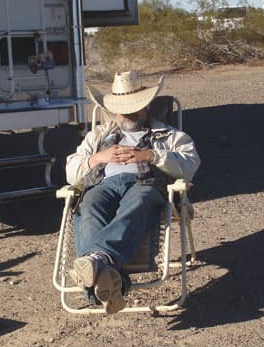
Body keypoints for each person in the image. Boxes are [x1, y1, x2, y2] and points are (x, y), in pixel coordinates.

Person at [65, 70, 200, 314]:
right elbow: (71, 170)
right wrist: (98, 158)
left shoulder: (167, 134)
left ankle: (97, 269)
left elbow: (190, 164)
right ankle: (110, 277)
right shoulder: (99, 135)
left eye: (134, 108)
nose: (127, 114)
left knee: (140, 200)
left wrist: (151, 155)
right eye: (122, 109)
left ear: (146, 107)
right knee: (90, 204)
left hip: (144, 184)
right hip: (102, 184)